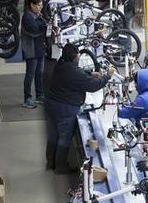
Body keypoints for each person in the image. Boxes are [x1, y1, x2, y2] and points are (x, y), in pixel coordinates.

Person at [44, 44, 114, 173]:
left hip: (51, 104)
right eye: (78, 55)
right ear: (75, 56)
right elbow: (92, 86)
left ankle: (50, 163)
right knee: (64, 137)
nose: (79, 57)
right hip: (65, 108)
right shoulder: (73, 72)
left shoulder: (61, 63)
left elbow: (75, 72)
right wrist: (107, 77)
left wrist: (89, 73)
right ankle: (60, 167)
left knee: (53, 135)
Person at [21, 0, 48, 109]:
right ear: (31, 5)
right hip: (31, 50)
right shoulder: (27, 17)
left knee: (39, 74)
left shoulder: (38, 15)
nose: (40, 8)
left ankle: (40, 95)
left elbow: (42, 26)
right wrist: (44, 26)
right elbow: (34, 29)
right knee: (30, 74)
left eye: (41, 5)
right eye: (37, 5)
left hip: (40, 48)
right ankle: (27, 98)